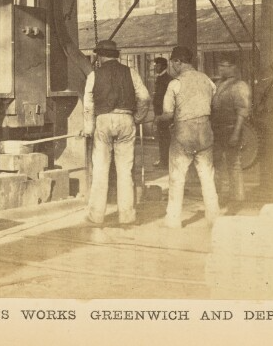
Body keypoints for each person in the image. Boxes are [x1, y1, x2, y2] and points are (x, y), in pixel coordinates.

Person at [82, 39, 151, 225]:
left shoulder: (93, 75)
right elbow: (144, 97)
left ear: (100, 56)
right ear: (115, 55)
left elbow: (88, 106)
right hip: (126, 118)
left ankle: (96, 215)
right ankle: (127, 216)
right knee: (125, 171)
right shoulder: (131, 72)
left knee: (101, 170)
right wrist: (138, 117)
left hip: (103, 120)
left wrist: (88, 128)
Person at [157, 46, 220, 228]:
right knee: (207, 177)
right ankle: (213, 218)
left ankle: (173, 220)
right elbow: (213, 106)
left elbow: (168, 114)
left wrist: (157, 119)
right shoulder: (207, 80)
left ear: (178, 61)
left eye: (173, 62)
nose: (173, 66)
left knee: (177, 179)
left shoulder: (175, 83)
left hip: (184, 133)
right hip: (205, 131)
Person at [212, 53, 252, 202]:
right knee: (217, 164)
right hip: (217, 129)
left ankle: (238, 197)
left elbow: (242, 112)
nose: (221, 69)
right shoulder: (217, 85)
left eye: (225, 66)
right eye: (220, 66)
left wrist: (236, 134)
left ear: (234, 67)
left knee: (233, 163)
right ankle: (219, 196)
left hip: (231, 128)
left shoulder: (240, 86)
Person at [151, 57, 173, 168]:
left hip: (164, 113)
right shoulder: (160, 78)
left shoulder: (167, 79)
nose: (155, 68)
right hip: (159, 113)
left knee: (165, 138)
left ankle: (165, 162)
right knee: (162, 137)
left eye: (158, 65)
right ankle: (163, 160)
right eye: (155, 65)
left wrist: (160, 115)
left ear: (164, 66)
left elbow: (164, 98)